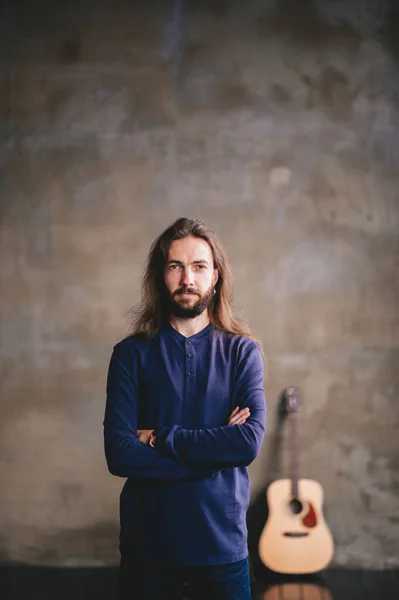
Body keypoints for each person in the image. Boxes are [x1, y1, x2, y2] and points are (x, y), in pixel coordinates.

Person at [103, 217, 266, 600]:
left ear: (216, 276)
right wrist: (214, 454)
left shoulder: (243, 353)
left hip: (222, 550)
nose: (187, 278)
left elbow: (245, 445)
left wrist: (160, 437)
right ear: (161, 276)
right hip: (149, 552)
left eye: (199, 266)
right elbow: (120, 454)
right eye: (175, 266)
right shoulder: (130, 355)